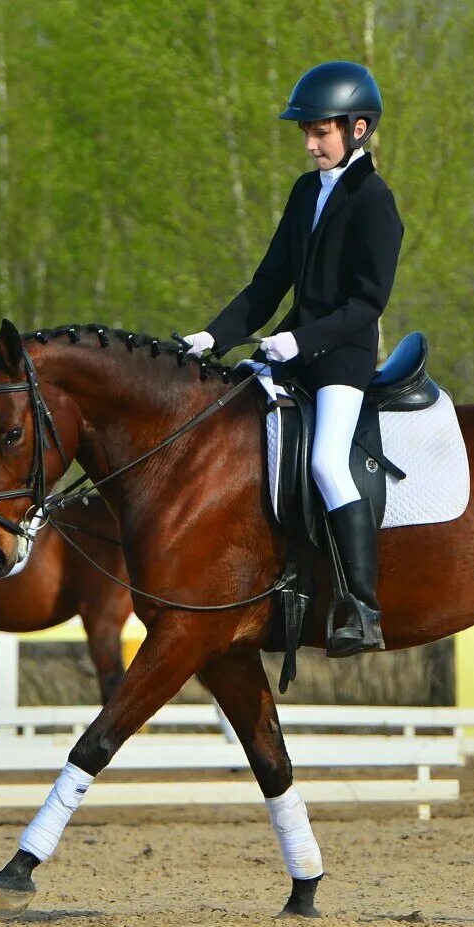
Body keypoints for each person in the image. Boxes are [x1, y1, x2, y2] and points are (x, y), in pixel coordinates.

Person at [182, 60, 403, 657]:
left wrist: (303, 342)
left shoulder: (375, 202)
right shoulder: (306, 191)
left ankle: (362, 606)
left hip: (342, 360)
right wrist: (211, 339)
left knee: (328, 462)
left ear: (358, 129)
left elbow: (367, 303)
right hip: (290, 351)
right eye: (305, 132)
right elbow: (268, 282)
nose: (309, 144)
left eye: (320, 131)